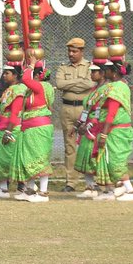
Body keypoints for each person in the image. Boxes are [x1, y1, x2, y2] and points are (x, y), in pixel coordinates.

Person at [52, 37, 95, 192]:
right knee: (70, 147)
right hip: (67, 109)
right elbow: (60, 84)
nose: (71, 53)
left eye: (74, 51)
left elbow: (92, 84)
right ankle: (71, 182)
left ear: (82, 51)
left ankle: (90, 181)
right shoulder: (63, 67)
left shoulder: (90, 66)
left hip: (85, 110)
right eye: (69, 50)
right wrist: (80, 82)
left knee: (87, 145)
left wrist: (71, 85)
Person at [92, 61, 133, 201]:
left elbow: (112, 112)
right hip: (111, 129)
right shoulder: (112, 86)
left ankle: (130, 191)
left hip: (116, 131)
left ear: (114, 72)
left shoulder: (117, 87)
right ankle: (113, 190)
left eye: (106, 70)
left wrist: (104, 134)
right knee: (108, 160)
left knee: (116, 161)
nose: (104, 72)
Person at [9, 61, 56, 203]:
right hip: (28, 128)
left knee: (40, 159)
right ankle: (30, 190)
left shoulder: (41, 87)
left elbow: (25, 79)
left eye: (30, 72)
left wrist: (31, 65)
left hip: (39, 129)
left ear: (37, 75)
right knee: (28, 159)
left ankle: (43, 193)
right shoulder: (32, 90)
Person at [0, 65, 26, 198]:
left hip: (11, 129)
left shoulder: (19, 90)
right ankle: (3, 189)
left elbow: (15, 113)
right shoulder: (8, 90)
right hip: (1, 127)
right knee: (0, 160)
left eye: (7, 73)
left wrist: (8, 132)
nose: (4, 76)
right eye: (4, 73)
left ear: (15, 75)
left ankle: (25, 187)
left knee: (13, 160)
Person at [73, 64, 106, 197]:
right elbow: (87, 109)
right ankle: (89, 187)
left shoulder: (104, 90)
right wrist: (78, 124)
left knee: (94, 158)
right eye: (91, 71)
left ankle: (106, 187)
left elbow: (99, 112)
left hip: (97, 127)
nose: (92, 74)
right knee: (85, 156)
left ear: (103, 73)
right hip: (87, 126)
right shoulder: (93, 90)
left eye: (95, 72)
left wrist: (88, 126)